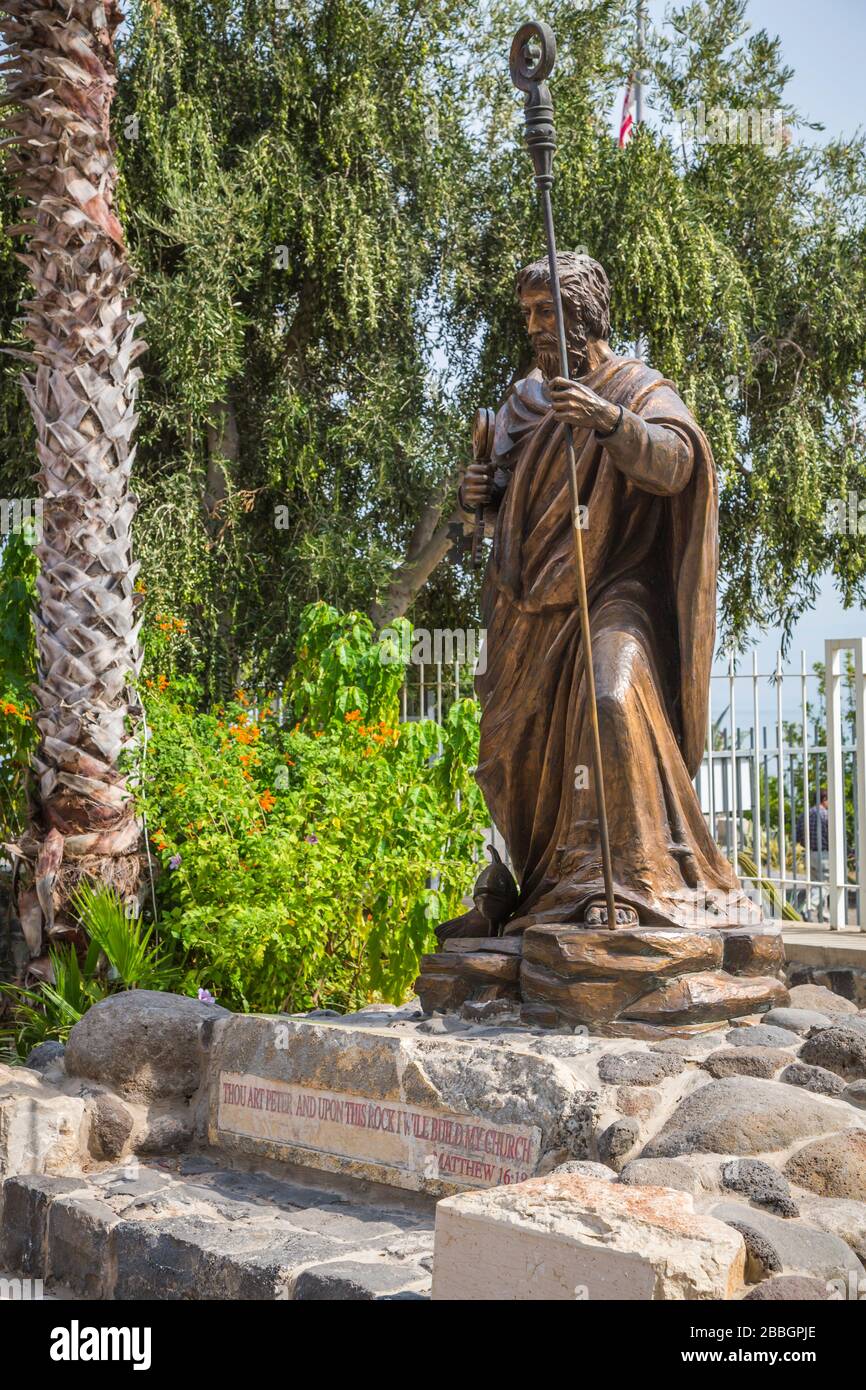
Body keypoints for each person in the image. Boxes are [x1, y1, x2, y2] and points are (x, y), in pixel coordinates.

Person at [438, 251, 759, 939]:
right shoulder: (528, 403)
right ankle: (543, 891)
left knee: (612, 697)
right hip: (532, 609)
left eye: (546, 309)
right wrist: (482, 497)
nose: (535, 326)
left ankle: (631, 882)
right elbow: (511, 510)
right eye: (527, 313)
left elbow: (677, 463)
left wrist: (611, 421)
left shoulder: (635, 386)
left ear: (584, 311)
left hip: (615, 588)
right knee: (512, 752)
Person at [796, 788, 830, 923]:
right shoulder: (826, 815)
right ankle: (808, 907)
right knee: (827, 884)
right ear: (824, 799)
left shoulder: (805, 814)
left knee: (817, 885)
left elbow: (798, 835)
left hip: (809, 854)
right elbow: (834, 836)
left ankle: (825, 916)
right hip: (824, 855)